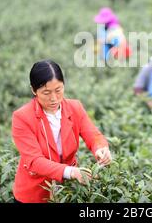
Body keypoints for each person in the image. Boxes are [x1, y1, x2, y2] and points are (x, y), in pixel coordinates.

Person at [12, 60, 112, 203]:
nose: (53, 98)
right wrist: (71, 172)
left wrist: (101, 149)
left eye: (58, 90)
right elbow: (34, 161)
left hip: (67, 191)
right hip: (33, 194)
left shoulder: (74, 107)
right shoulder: (22, 117)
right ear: (33, 90)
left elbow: (93, 135)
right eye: (46, 92)